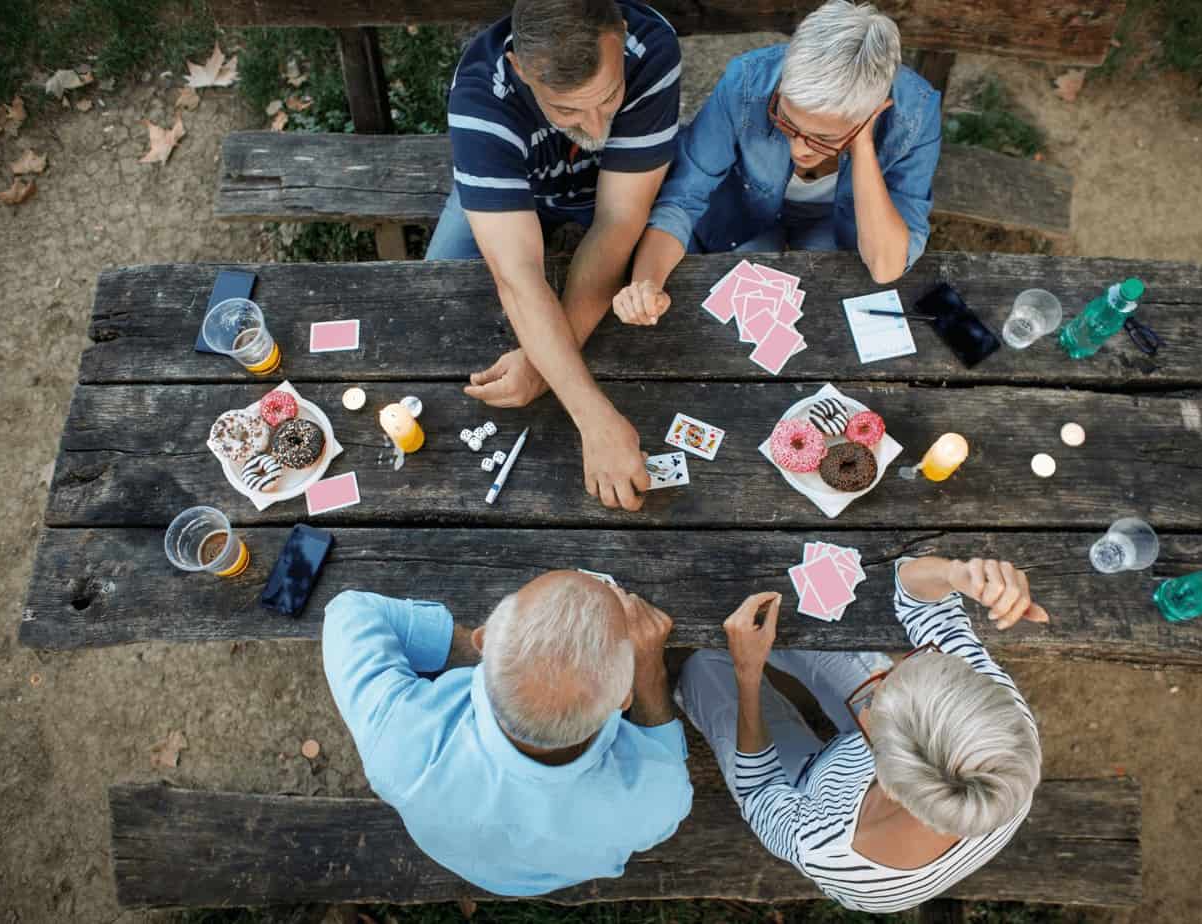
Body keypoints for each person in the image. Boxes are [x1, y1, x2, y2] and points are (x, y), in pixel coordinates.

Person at [677, 557, 1046, 913]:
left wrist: (747, 671)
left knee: (703, 666)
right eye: (898, 674)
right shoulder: (997, 721)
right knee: (801, 609)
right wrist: (955, 573)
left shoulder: (823, 848)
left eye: (872, 703)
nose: (876, 682)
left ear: (882, 778)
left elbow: (758, 789)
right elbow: (925, 603)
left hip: (807, 781)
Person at [430, 0, 682, 511]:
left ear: (622, 33)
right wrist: (594, 417)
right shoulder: (480, 95)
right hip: (520, 194)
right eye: (566, 108)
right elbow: (518, 276)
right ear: (522, 69)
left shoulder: (652, 48)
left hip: (615, 196)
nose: (594, 127)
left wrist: (547, 366)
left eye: (609, 96)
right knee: (434, 292)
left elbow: (617, 224)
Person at [321, 571, 692, 896]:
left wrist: (491, 653)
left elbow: (347, 610)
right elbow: (667, 762)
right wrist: (650, 677)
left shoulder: (399, 739)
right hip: (556, 870)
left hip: (460, 853)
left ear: (483, 641)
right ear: (623, 697)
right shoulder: (657, 801)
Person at [611, 0, 941, 327]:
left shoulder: (916, 113)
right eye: (785, 120)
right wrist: (646, 284)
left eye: (822, 138)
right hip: (746, 215)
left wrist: (863, 146)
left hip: (836, 227)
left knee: (820, 301)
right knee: (743, 285)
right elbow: (683, 197)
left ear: (872, 113)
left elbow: (885, 266)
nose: (799, 149)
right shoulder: (746, 81)